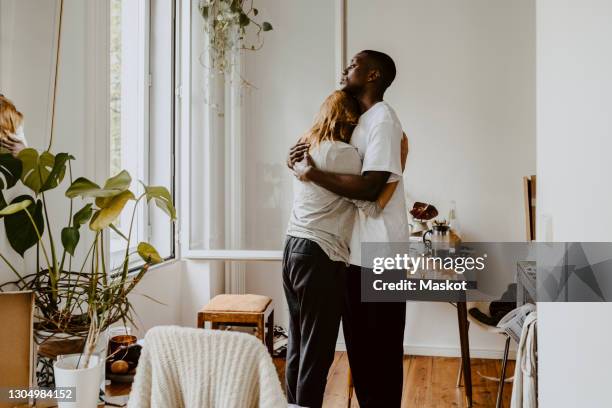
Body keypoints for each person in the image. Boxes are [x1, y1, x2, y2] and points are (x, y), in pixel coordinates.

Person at [289, 50, 409, 407]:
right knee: (362, 354)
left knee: (380, 355)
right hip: (353, 253)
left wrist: (312, 173)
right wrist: (296, 162)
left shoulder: (384, 119)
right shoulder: (362, 121)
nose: (345, 69)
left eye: (354, 65)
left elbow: (372, 186)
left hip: (380, 253)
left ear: (373, 75)